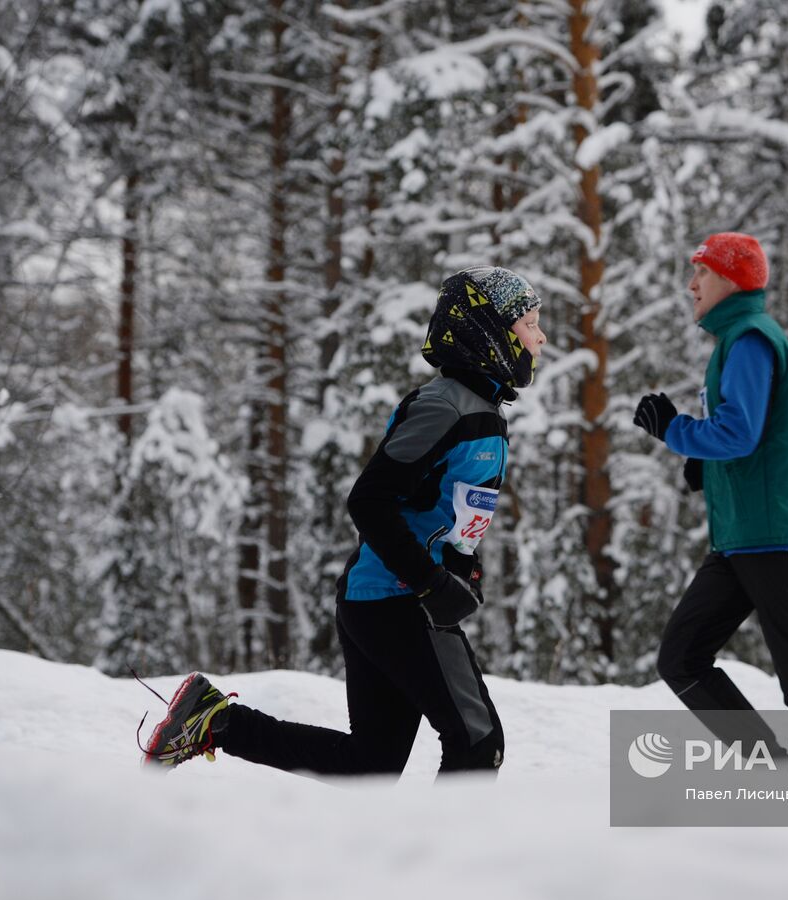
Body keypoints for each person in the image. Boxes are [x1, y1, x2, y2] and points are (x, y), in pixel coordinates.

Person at [140, 266, 547, 776]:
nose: (541, 336)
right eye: (530, 323)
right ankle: (445, 857)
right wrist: (430, 581)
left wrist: (463, 568)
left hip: (378, 601)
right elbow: (370, 500)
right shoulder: (445, 408)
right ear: (487, 332)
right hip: (400, 602)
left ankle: (216, 722)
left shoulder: (478, 409)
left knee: (370, 764)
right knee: (477, 741)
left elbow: (444, 509)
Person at [633, 232, 788, 750]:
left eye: (703, 273)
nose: (691, 284)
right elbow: (785, 432)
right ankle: (767, 765)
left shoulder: (750, 339)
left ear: (732, 280)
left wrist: (675, 429)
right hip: (744, 534)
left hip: (774, 531)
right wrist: (705, 465)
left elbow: (739, 433)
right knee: (682, 658)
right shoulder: (740, 340)